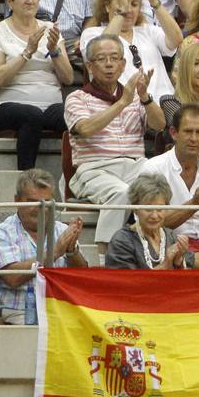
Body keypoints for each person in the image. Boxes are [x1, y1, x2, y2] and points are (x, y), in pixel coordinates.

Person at [66, 35, 166, 249]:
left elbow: (160, 125)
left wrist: (145, 97)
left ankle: (162, 248)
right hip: (95, 169)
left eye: (114, 58)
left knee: (163, 181)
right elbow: (84, 129)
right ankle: (106, 257)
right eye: (102, 59)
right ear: (90, 66)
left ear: (123, 65)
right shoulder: (77, 97)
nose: (109, 64)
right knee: (122, 192)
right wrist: (122, 103)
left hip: (135, 165)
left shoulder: (136, 97)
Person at [0, 0, 73, 170]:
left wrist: (54, 51)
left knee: (74, 115)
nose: (30, 1)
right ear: (10, 1)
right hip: (8, 105)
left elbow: (68, 77)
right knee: (31, 115)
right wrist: (27, 52)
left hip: (51, 105)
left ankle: (77, 178)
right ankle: (26, 178)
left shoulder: (49, 29)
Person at [0, 168, 87, 324]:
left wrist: (71, 251)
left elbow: (82, 278)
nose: (41, 208)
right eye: (33, 202)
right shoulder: (1, 232)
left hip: (60, 308)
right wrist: (54, 252)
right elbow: (12, 277)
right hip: (18, 311)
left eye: (47, 202)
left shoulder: (62, 229)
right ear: (17, 200)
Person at [80, 0, 181, 106]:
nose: (128, 9)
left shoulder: (148, 30)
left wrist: (155, 3)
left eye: (134, 4)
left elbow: (176, 39)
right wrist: (121, 13)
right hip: (125, 110)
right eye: (122, 3)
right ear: (107, 6)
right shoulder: (92, 34)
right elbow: (104, 47)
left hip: (165, 105)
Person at [103, 173, 192, 269]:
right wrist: (165, 264)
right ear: (135, 208)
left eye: (160, 209)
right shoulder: (122, 240)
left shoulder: (171, 237)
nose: (154, 216)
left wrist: (179, 261)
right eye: (148, 209)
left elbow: (186, 279)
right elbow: (126, 281)